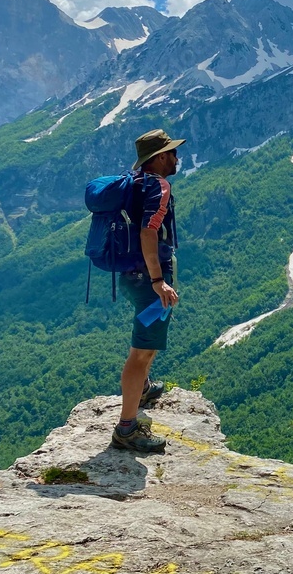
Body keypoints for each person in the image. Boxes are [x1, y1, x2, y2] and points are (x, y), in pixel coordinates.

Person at [111, 129, 185, 453]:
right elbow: (148, 232)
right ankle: (127, 429)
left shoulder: (135, 180)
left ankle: (142, 389)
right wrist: (158, 281)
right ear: (158, 159)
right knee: (140, 353)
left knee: (146, 347)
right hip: (148, 281)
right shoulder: (159, 186)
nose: (177, 158)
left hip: (130, 275)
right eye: (171, 153)